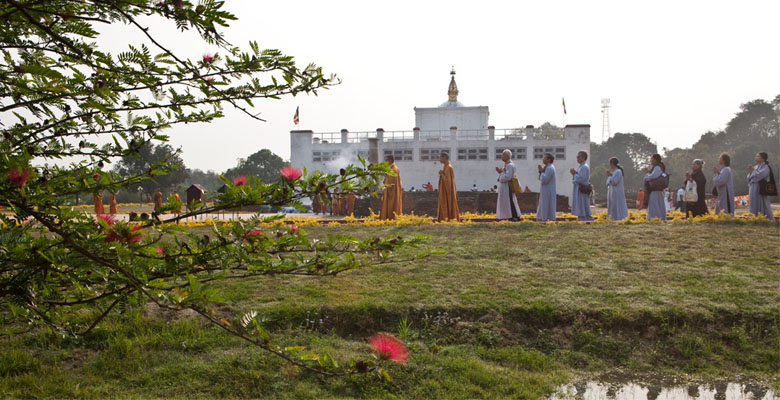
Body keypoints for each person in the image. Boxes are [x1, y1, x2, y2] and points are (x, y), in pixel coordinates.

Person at [747, 152, 776, 220]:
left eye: (758, 156)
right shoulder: (755, 167)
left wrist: (753, 172)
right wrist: (751, 172)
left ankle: (765, 218)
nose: (756, 157)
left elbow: (759, 176)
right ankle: (754, 218)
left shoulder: (766, 167)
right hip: (753, 188)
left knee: (763, 204)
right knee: (753, 203)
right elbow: (749, 177)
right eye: (756, 156)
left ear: (763, 158)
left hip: (760, 189)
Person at [495, 149, 522, 220]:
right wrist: (500, 173)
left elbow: (508, 177)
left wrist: (501, 173)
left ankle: (514, 216)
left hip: (508, 186)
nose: (501, 156)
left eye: (502, 155)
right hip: (504, 186)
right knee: (505, 202)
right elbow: (502, 176)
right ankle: (506, 216)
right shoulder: (506, 165)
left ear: (507, 156)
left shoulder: (510, 166)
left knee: (509, 201)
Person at [569, 151, 593, 221]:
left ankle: (584, 217)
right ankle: (584, 217)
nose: (577, 158)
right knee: (581, 203)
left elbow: (581, 178)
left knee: (582, 203)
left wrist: (574, 174)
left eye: (578, 157)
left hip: (582, 189)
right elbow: (579, 176)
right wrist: (576, 173)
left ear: (583, 157)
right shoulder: (581, 167)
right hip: (579, 188)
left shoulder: (584, 167)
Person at [642, 154, 667, 221]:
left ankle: (655, 218)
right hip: (657, 190)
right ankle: (660, 218)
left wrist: (647, 174)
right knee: (658, 205)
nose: (651, 160)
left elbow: (653, 176)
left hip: (655, 189)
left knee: (654, 205)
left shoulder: (657, 167)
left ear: (656, 160)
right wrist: (648, 172)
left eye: (652, 159)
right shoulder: (658, 167)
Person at [437, 152, 459, 221]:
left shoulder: (449, 167)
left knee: (448, 204)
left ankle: (449, 218)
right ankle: (444, 218)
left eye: (440, 158)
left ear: (444, 158)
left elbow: (448, 181)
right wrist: (442, 174)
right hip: (444, 191)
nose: (439, 159)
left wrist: (442, 174)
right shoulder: (445, 167)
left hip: (448, 192)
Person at [379, 155, 403, 220]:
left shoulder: (394, 169)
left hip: (392, 192)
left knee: (391, 206)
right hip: (389, 190)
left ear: (390, 160)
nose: (385, 162)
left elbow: (392, 183)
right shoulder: (390, 169)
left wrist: (387, 185)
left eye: (386, 160)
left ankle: (390, 217)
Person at [536, 153, 557, 222]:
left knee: (546, 204)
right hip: (545, 190)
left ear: (549, 160)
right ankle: (542, 218)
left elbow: (545, 180)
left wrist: (541, 172)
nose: (543, 159)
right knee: (543, 204)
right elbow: (541, 178)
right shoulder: (547, 167)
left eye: (544, 158)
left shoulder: (550, 168)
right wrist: (541, 171)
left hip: (548, 190)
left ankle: (545, 219)